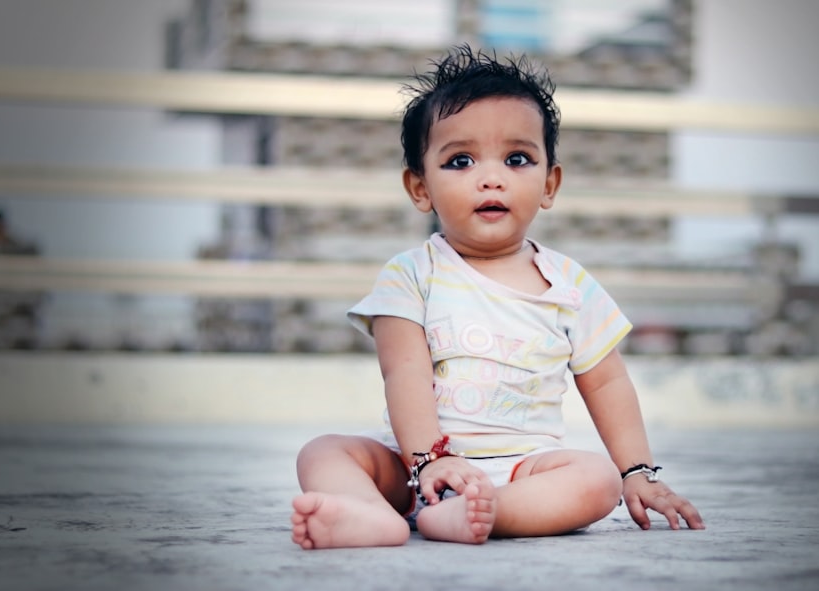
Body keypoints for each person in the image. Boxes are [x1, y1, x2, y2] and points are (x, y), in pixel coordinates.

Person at [290, 45, 704, 549]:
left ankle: (487, 514)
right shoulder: (411, 274)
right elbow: (405, 373)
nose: (491, 177)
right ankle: (371, 515)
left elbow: (608, 384)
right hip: (417, 468)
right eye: (460, 160)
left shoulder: (568, 284)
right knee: (324, 452)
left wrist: (638, 470)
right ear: (420, 188)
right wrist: (429, 461)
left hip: (525, 471)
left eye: (517, 158)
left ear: (550, 183)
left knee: (596, 480)